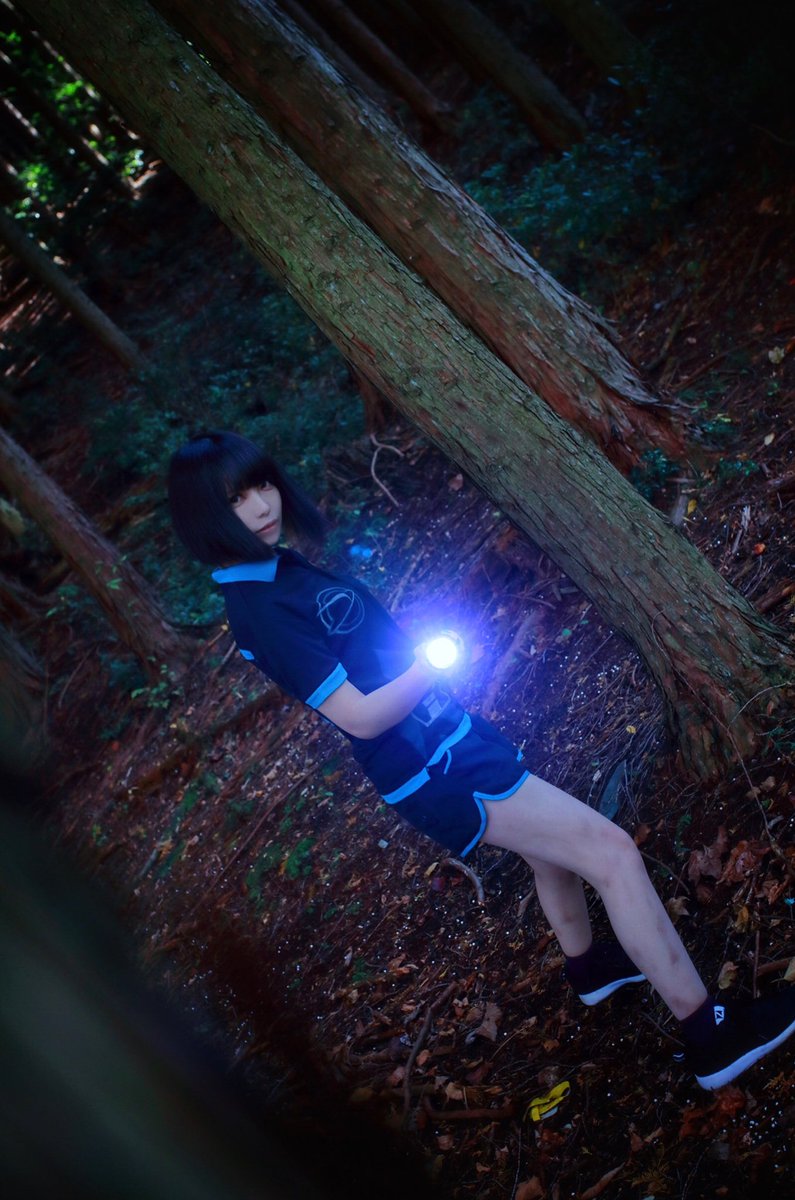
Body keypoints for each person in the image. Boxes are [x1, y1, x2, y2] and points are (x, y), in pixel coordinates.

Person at [168, 430, 795, 1092]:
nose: (261, 505)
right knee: (611, 853)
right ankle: (710, 1034)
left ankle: (591, 969)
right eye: (236, 499)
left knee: (549, 854)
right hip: (433, 765)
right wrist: (429, 663)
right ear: (206, 516)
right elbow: (358, 716)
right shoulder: (259, 609)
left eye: (262, 484)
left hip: (447, 738)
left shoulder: (276, 569)